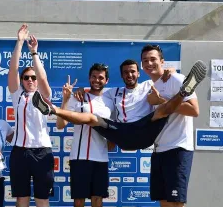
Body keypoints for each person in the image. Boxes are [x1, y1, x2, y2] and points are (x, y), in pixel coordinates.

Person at [32, 59, 206, 151]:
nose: (129, 75)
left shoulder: (149, 85)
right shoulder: (113, 91)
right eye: (125, 73)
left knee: (161, 111)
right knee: (93, 118)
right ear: (121, 76)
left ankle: (185, 91)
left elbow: (160, 75)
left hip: (145, 131)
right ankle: (52, 109)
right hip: (122, 133)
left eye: (132, 71)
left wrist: (171, 71)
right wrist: (80, 90)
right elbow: (95, 89)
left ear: (139, 73)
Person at [139, 45, 199, 207]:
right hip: (160, 149)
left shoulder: (177, 80)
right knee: (164, 202)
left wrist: (161, 100)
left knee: (176, 203)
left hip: (178, 148)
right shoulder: (151, 85)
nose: (149, 63)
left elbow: (194, 110)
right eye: (145, 60)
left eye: (153, 59)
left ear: (162, 61)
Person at [56, 68, 114, 207]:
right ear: (89, 78)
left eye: (101, 77)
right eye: (94, 76)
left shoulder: (110, 100)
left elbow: (115, 133)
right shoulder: (77, 96)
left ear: (106, 80)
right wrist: (65, 99)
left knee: (97, 203)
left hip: (101, 159)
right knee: (79, 202)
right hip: (79, 157)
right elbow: (60, 125)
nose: (97, 80)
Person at [8, 24, 55, 207]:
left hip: (42, 152)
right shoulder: (17, 96)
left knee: (42, 200)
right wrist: (19, 43)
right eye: (26, 78)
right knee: (22, 199)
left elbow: (44, 78)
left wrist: (35, 52)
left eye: (32, 77)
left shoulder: (45, 95)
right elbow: (13, 68)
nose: (29, 80)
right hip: (19, 153)